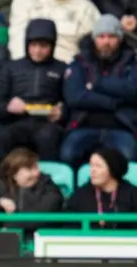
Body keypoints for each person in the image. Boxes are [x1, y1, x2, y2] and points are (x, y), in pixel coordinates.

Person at [61, 14, 137, 167]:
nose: (106, 42)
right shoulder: (80, 62)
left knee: (129, 156)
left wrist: (97, 84)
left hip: (121, 127)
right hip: (85, 125)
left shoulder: (132, 62)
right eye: (101, 36)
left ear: (120, 38)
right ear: (94, 38)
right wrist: (111, 102)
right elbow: (74, 96)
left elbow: (133, 91)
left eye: (111, 36)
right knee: (68, 154)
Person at [0, 18, 66, 161]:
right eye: (34, 45)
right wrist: (8, 108)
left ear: (52, 46)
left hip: (47, 124)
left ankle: (47, 180)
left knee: (49, 137)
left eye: (43, 46)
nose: (38, 50)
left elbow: (70, 103)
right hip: (17, 122)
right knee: (0, 139)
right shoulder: (10, 68)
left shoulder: (62, 69)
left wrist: (62, 113)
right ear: (27, 44)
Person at [0, 147, 64, 234]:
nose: (37, 173)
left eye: (36, 167)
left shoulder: (49, 187)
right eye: (30, 169)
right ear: (14, 173)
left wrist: (11, 225)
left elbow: (43, 215)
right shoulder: (2, 185)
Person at [8, 0, 100, 64]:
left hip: (68, 68)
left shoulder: (85, 7)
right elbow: (17, 38)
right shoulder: (25, 2)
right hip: (31, 67)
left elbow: (98, 40)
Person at [67, 148, 137, 226]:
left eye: (98, 166)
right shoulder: (79, 195)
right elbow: (69, 227)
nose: (93, 170)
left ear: (113, 168)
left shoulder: (132, 194)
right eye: (91, 165)